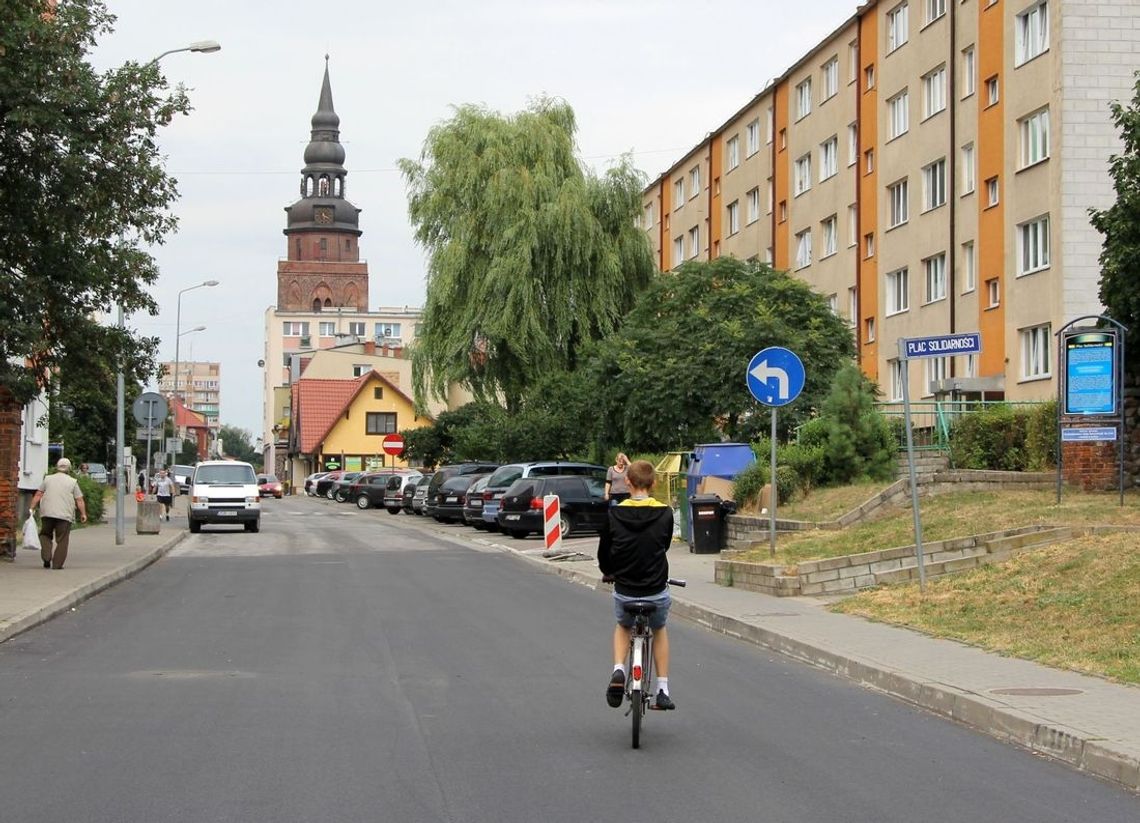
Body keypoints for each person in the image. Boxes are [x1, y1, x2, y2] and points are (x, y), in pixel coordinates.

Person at [597, 459, 676, 711]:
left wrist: (609, 571)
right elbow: (663, 546)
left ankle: (619, 669)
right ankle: (662, 689)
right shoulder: (665, 513)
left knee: (623, 625)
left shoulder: (614, 513)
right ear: (654, 483)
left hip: (626, 589)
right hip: (655, 589)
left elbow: (604, 552)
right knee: (659, 628)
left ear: (627, 482)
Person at [29, 457, 88, 570]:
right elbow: (79, 499)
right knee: (62, 540)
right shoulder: (72, 482)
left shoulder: (47, 479)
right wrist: (83, 514)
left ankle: (46, 557)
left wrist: (32, 508)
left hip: (47, 513)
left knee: (45, 534)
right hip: (64, 515)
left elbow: (38, 494)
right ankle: (57, 565)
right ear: (69, 469)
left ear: (57, 467)